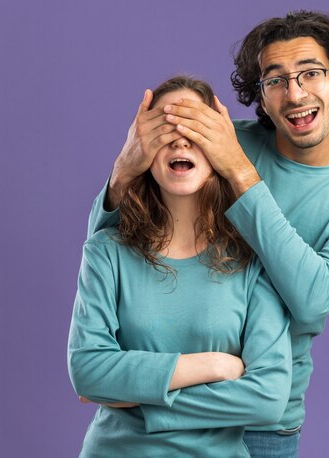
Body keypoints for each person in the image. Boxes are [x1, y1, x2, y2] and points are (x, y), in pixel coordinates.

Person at [89, 10, 329, 458]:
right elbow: (112, 245)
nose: (293, 93)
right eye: (274, 80)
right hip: (158, 393)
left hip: (259, 417)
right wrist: (124, 169)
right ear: (261, 95)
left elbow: (313, 298)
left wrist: (238, 169)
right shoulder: (215, 141)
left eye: (311, 73)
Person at [68, 76, 292, 457]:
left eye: (195, 127)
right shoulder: (106, 251)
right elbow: (87, 371)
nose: (180, 139)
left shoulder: (252, 258)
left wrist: (140, 398)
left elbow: (267, 398)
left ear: (219, 149)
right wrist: (214, 366)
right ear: (142, 150)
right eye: (165, 129)